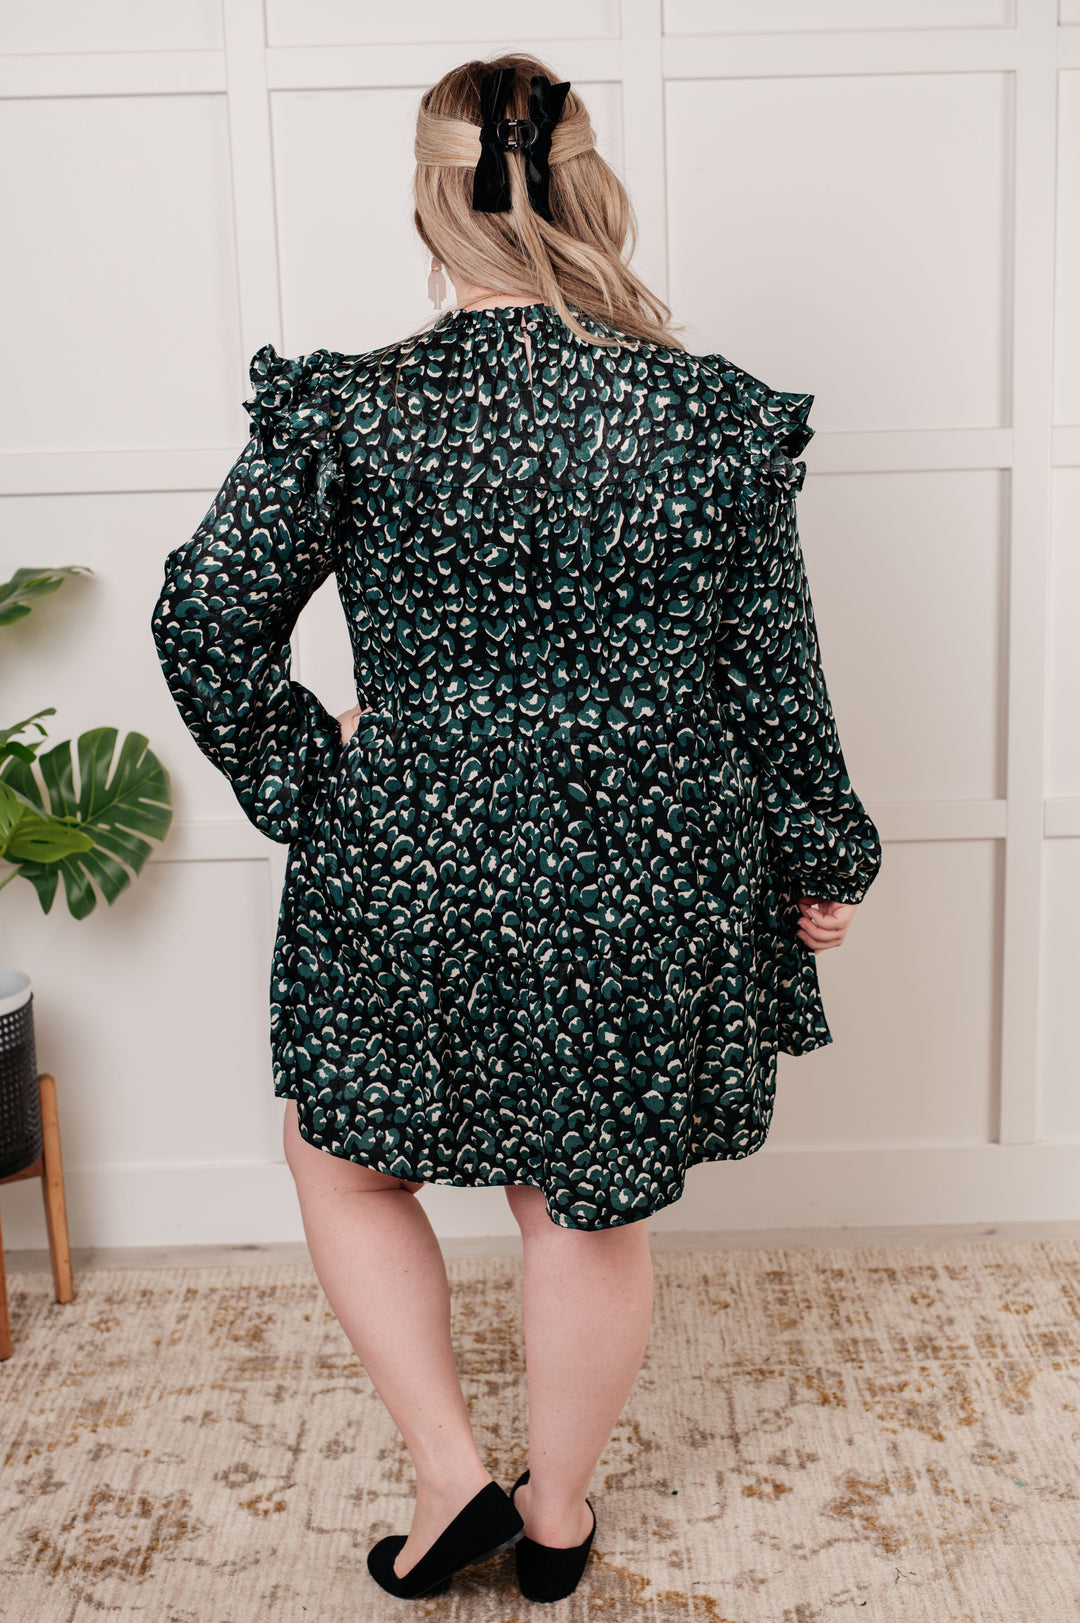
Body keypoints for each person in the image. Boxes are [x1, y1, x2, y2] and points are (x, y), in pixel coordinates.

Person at [151, 51, 882, 1606]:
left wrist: (318, 782)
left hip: (411, 848)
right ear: (588, 186)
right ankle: (557, 1521)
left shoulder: (353, 409)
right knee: (583, 1196)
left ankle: (449, 1478)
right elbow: (772, 670)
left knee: (342, 1159)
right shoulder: (707, 417)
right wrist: (822, 856)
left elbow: (204, 619)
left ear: (433, 200)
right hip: (643, 858)